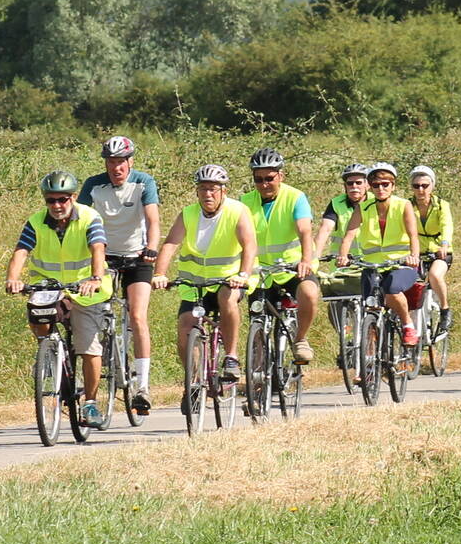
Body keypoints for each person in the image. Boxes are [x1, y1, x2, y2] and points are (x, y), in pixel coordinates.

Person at [5, 171, 111, 426]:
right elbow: (21, 251)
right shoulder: (36, 221)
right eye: (50, 200)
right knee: (37, 314)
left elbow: (98, 248)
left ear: (73, 197)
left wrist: (95, 278)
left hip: (85, 288)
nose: (56, 206)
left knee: (88, 348)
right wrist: (13, 278)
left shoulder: (89, 217)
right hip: (49, 286)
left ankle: (90, 404)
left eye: (62, 199)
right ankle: (49, 353)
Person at [77, 135, 161, 415]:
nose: (116, 168)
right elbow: (81, 220)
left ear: (130, 162)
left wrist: (151, 247)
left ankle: (143, 387)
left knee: (137, 315)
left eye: (120, 162)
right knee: (95, 311)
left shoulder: (143, 182)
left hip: (138, 256)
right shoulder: (93, 184)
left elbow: (152, 220)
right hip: (105, 257)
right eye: (111, 162)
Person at [152, 165, 257, 387]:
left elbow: (249, 245)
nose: (207, 194)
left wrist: (243, 274)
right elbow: (171, 243)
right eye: (202, 189)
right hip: (195, 283)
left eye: (213, 189)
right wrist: (160, 273)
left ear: (223, 191)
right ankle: (195, 381)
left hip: (228, 279)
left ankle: (231, 357)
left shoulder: (237, 211)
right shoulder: (188, 214)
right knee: (185, 327)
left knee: (227, 298)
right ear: (197, 191)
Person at [238, 148, 321, 365]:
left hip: (292, 267)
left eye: (269, 178)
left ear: (280, 176)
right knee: (258, 321)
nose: (264, 184)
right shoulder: (245, 201)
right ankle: (257, 379)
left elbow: (304, 230)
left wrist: (305, 260)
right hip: (260, 272)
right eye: (258, 179)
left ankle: (301, 339)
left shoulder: (295, 197)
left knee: (310, 293)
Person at [337, 162, 424, 346]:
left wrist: (414, 257)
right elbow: (349, 235)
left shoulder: (404, 205)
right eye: (376, 185)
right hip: (372, 266)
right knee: (369, 307)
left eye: (385, 184)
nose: (381, 188)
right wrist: (343, 256)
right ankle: (367, 363)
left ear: (393, 186)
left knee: (392, 290)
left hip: (401, 264)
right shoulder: (363, 207)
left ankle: (408, 325)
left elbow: (413, 236)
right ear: (370, 186)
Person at [410, 165, 454, 331]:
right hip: (416, 253)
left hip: (439, 251)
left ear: (432, 186)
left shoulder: (442, 205)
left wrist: (444, 244)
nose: (420, 190)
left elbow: (447, 226)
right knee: (409, 283)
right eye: (416, 186)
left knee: (435, 275)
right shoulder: (407, 206)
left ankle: (445, 310)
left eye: (425, 186)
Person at [315, 163, 370, 258]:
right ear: (345, 186)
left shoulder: (375, 202)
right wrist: (313, 258)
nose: (354, 186)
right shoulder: (336, 203)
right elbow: (325, 229)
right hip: (342, 264)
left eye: (358, 183)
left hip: (369, 262)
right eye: (350, 183)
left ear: (367, 185)